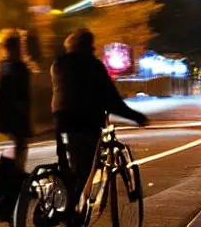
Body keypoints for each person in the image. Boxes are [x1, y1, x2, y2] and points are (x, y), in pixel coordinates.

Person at [51, 28, 148, 207]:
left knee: (66, 164)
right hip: (85, 123)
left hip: (61, 120)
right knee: (84, 169)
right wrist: (136, 117)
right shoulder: (93, 65)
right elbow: (111, 100)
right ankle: (69, 209)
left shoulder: (59, 64)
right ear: (88, 46)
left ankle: (55, 204)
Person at [0, 29, 32, 171]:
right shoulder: (14, 66)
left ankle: (15, 178)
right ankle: (16, 179)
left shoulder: (3, 66)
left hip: (11, 115)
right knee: (19, 148)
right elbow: (12, 93)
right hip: (15, 115)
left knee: (18, 148)